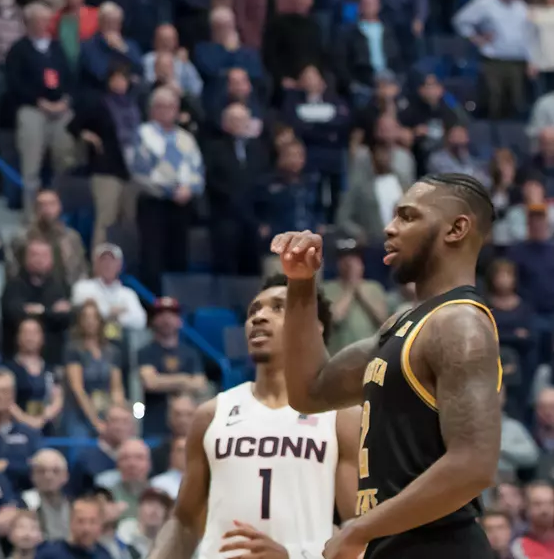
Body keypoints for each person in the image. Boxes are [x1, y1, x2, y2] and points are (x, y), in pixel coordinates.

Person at [273, 173, 502, 559]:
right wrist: (301, 283)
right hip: (395, 545)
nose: (389, 227)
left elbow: (474, 465)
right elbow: (308, 391)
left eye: (408, 217)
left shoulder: (460, 324)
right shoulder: (405, 324)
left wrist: (361, 527)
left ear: (456, 228)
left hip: (442, 548)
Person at [148, 275, 361, 559]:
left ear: (315, 327)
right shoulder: (211, 414)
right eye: (254, 311)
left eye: (277, 308)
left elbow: (359, 531)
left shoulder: (340, 416)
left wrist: (293, 556)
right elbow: (185, 521)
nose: (259, 317)